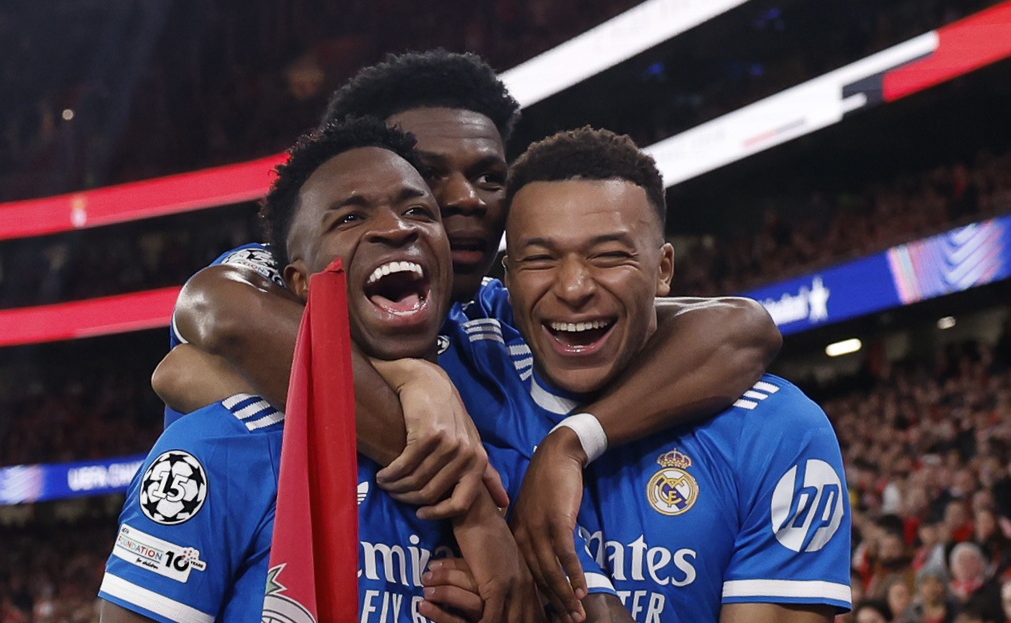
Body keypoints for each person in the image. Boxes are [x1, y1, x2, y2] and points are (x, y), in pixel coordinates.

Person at [158, 49, 782, 613]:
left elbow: (741, 329)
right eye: (429, 177)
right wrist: (475, 505)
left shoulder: (505, 309)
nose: (469, 200)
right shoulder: (293, 283)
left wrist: (571, 442)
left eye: (490, 177)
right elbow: (205, 330)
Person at [99, 119, 557, 623]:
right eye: (350, 218)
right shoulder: (218, 449)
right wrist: (410, 377)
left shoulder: (505, 461)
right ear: (295, 282)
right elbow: (201, 335)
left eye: (417, 211)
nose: (397, 228)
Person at [489, 127, 852, 620]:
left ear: (663, 269)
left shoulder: (776, 428)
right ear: (507, 277)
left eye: (609, 255)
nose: (573, 287)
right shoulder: (472, 386)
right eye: (539, 259)